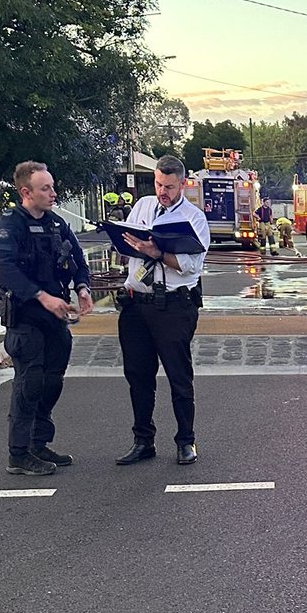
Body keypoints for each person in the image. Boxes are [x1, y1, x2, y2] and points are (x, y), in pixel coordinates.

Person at [0, 161, 93, 476]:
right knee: (30, 383)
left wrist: (82, 287)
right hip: (26, 317)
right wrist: (42, 297)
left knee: (52, 382)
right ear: (26, 192)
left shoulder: (57, 225)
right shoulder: (12, 225)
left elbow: (78, 260)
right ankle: (19, 453)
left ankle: (39, 443)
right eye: (45, 188)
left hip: (55, 318)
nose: (53, 193)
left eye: (52, 187)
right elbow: (5, 270)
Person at [114, 154, 211, 467]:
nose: (162, 191)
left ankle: (186, 440)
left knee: (178, 376)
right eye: (158, 184)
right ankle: (143, 441)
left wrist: (158, 253)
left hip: (173, 305)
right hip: (137, 303)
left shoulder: (194, 218)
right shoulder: (143, 206)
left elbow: (191, 266)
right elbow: (128, 242)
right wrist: (127, 244)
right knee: (138, 376)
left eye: (169, 186)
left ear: (182, 184)